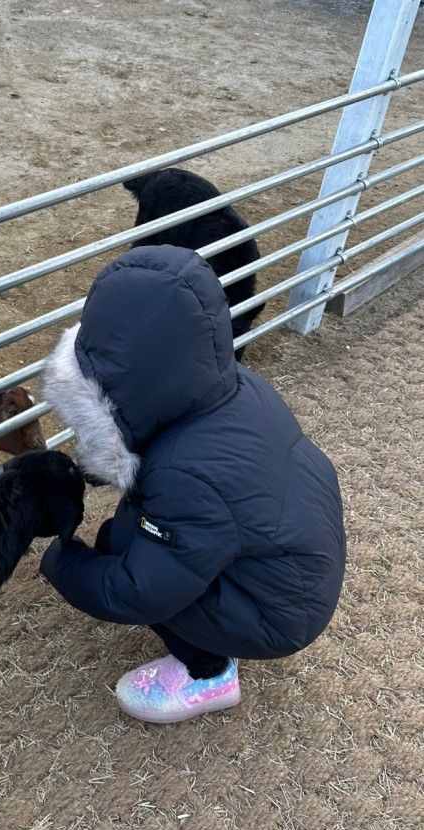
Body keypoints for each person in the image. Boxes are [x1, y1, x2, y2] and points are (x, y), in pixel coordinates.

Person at [40, 245, 346, 724]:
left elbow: (137, 592)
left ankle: (209, 673)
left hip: (284, 612)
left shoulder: (185, 476)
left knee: (140, 567)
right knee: (130, 537)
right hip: (295, 561)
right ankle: (214, 625)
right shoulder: (233, 387)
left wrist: (64, 564)